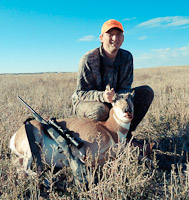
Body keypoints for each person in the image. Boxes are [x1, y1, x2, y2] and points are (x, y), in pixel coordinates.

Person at [72, 19, 154, 141]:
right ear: (101, 37)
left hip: (115, 99)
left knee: (146, 92)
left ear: (123, 38)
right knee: (100, 110)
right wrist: (103, 97)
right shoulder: (88, 59)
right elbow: (80, 94)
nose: (115, 38)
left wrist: (121, 101)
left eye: (118, 35)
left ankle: (125, 134)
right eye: (110, 34)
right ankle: (96, 139)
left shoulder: (127, 57)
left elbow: (126, 87)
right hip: (88, 104)